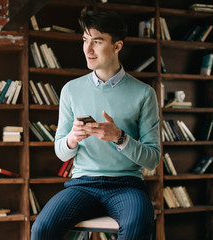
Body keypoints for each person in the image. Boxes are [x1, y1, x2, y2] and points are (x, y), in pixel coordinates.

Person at [31, 9, 161, 240]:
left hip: (127, 186)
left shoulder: (144, 93)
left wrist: (119, 137)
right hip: (82, 185)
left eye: (97, 41)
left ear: (117, 46)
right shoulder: (71, 90)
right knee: (41, 229)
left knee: (137, 229)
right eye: (85, 40)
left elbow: (152, 158)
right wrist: (72, 138)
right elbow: (61, 152)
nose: (87, 49)